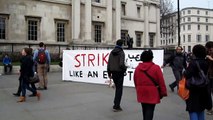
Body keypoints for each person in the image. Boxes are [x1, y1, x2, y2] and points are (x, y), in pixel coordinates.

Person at [133, 49, 167, 120]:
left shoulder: (137, 68)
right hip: (152, 92)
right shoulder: (156, 68)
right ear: (151, 58)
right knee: (150, 109)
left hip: (141, 91)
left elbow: (135, 80)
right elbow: (161, 81)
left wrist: (138, 89)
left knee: (144, 108)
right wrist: (163, 92)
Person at [184, 44, 212, 120]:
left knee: (193, 109)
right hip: (204, 87)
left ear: (195, 52)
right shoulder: (207, 62)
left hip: (194, 88)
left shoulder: (193, 63)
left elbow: (187, 74)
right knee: (201, 109)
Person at [107, 39, 127, 112]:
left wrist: (109, 73)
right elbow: (121, 64)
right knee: (119, 90)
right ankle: (116, 106)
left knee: (117, 89)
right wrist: (125, 68)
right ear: (121, 45)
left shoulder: (111, 52)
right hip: (119, 73)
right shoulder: (121, 52)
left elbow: (108, 63)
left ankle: (116, 104)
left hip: (113, 73)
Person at [205, 41, 213, 115]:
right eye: (208, 50)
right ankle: (210, 108)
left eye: (210, 49)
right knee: (208, 93)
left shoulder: (210, 56)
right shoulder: (207, 54)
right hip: (209, 76)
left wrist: (211, 59)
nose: (209, 51)